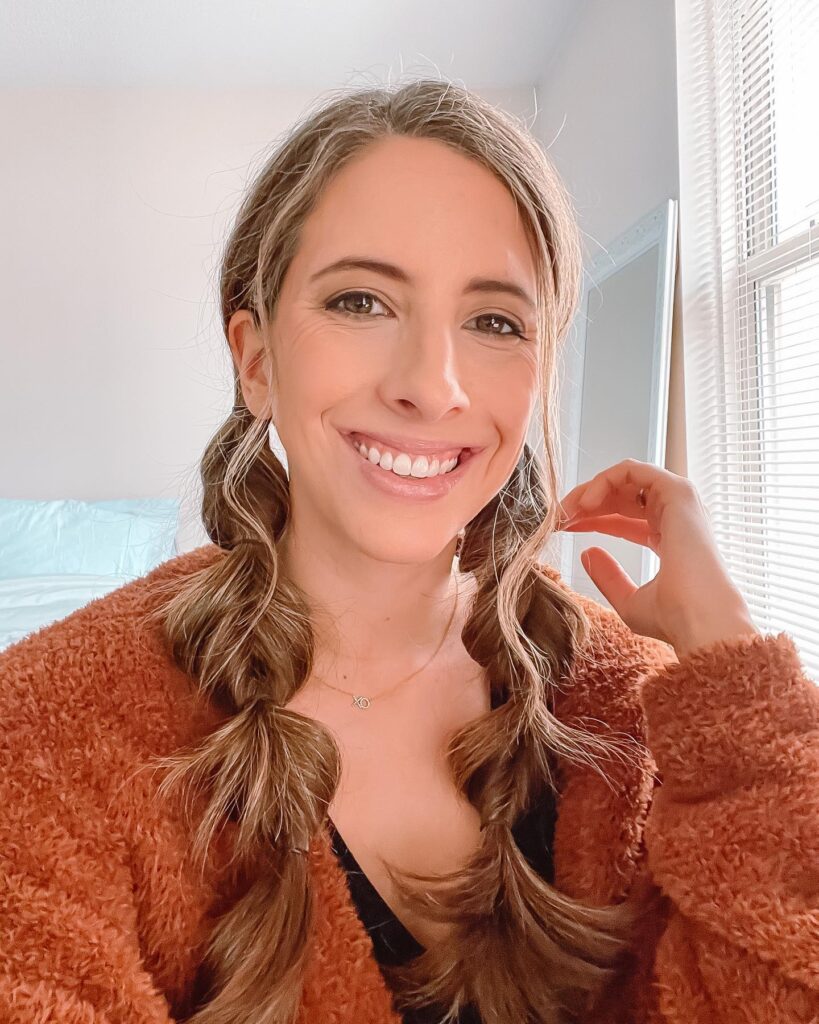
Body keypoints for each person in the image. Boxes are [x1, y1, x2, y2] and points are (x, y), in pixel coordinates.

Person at [0, 79, 816, 1024]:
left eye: (494, 322)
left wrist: (724, 660)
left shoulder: (632, 710)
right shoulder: (56, 731)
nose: (432, 386)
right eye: (360, 301)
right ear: (255, 359)